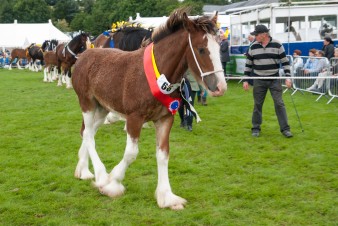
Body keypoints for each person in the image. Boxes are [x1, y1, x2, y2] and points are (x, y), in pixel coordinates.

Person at [243, 24, 293, 138]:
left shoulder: (278, 44)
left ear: (264, 34)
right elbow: (248, 64)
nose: (255, 36)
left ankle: (285, 129)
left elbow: (285, 62)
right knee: (257, 105)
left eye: (256, 34)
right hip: (259, 80)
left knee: (279, 104)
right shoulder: (253, 46)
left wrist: (288, 77)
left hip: (274, 79)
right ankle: (256, 128)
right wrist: (245, 80)